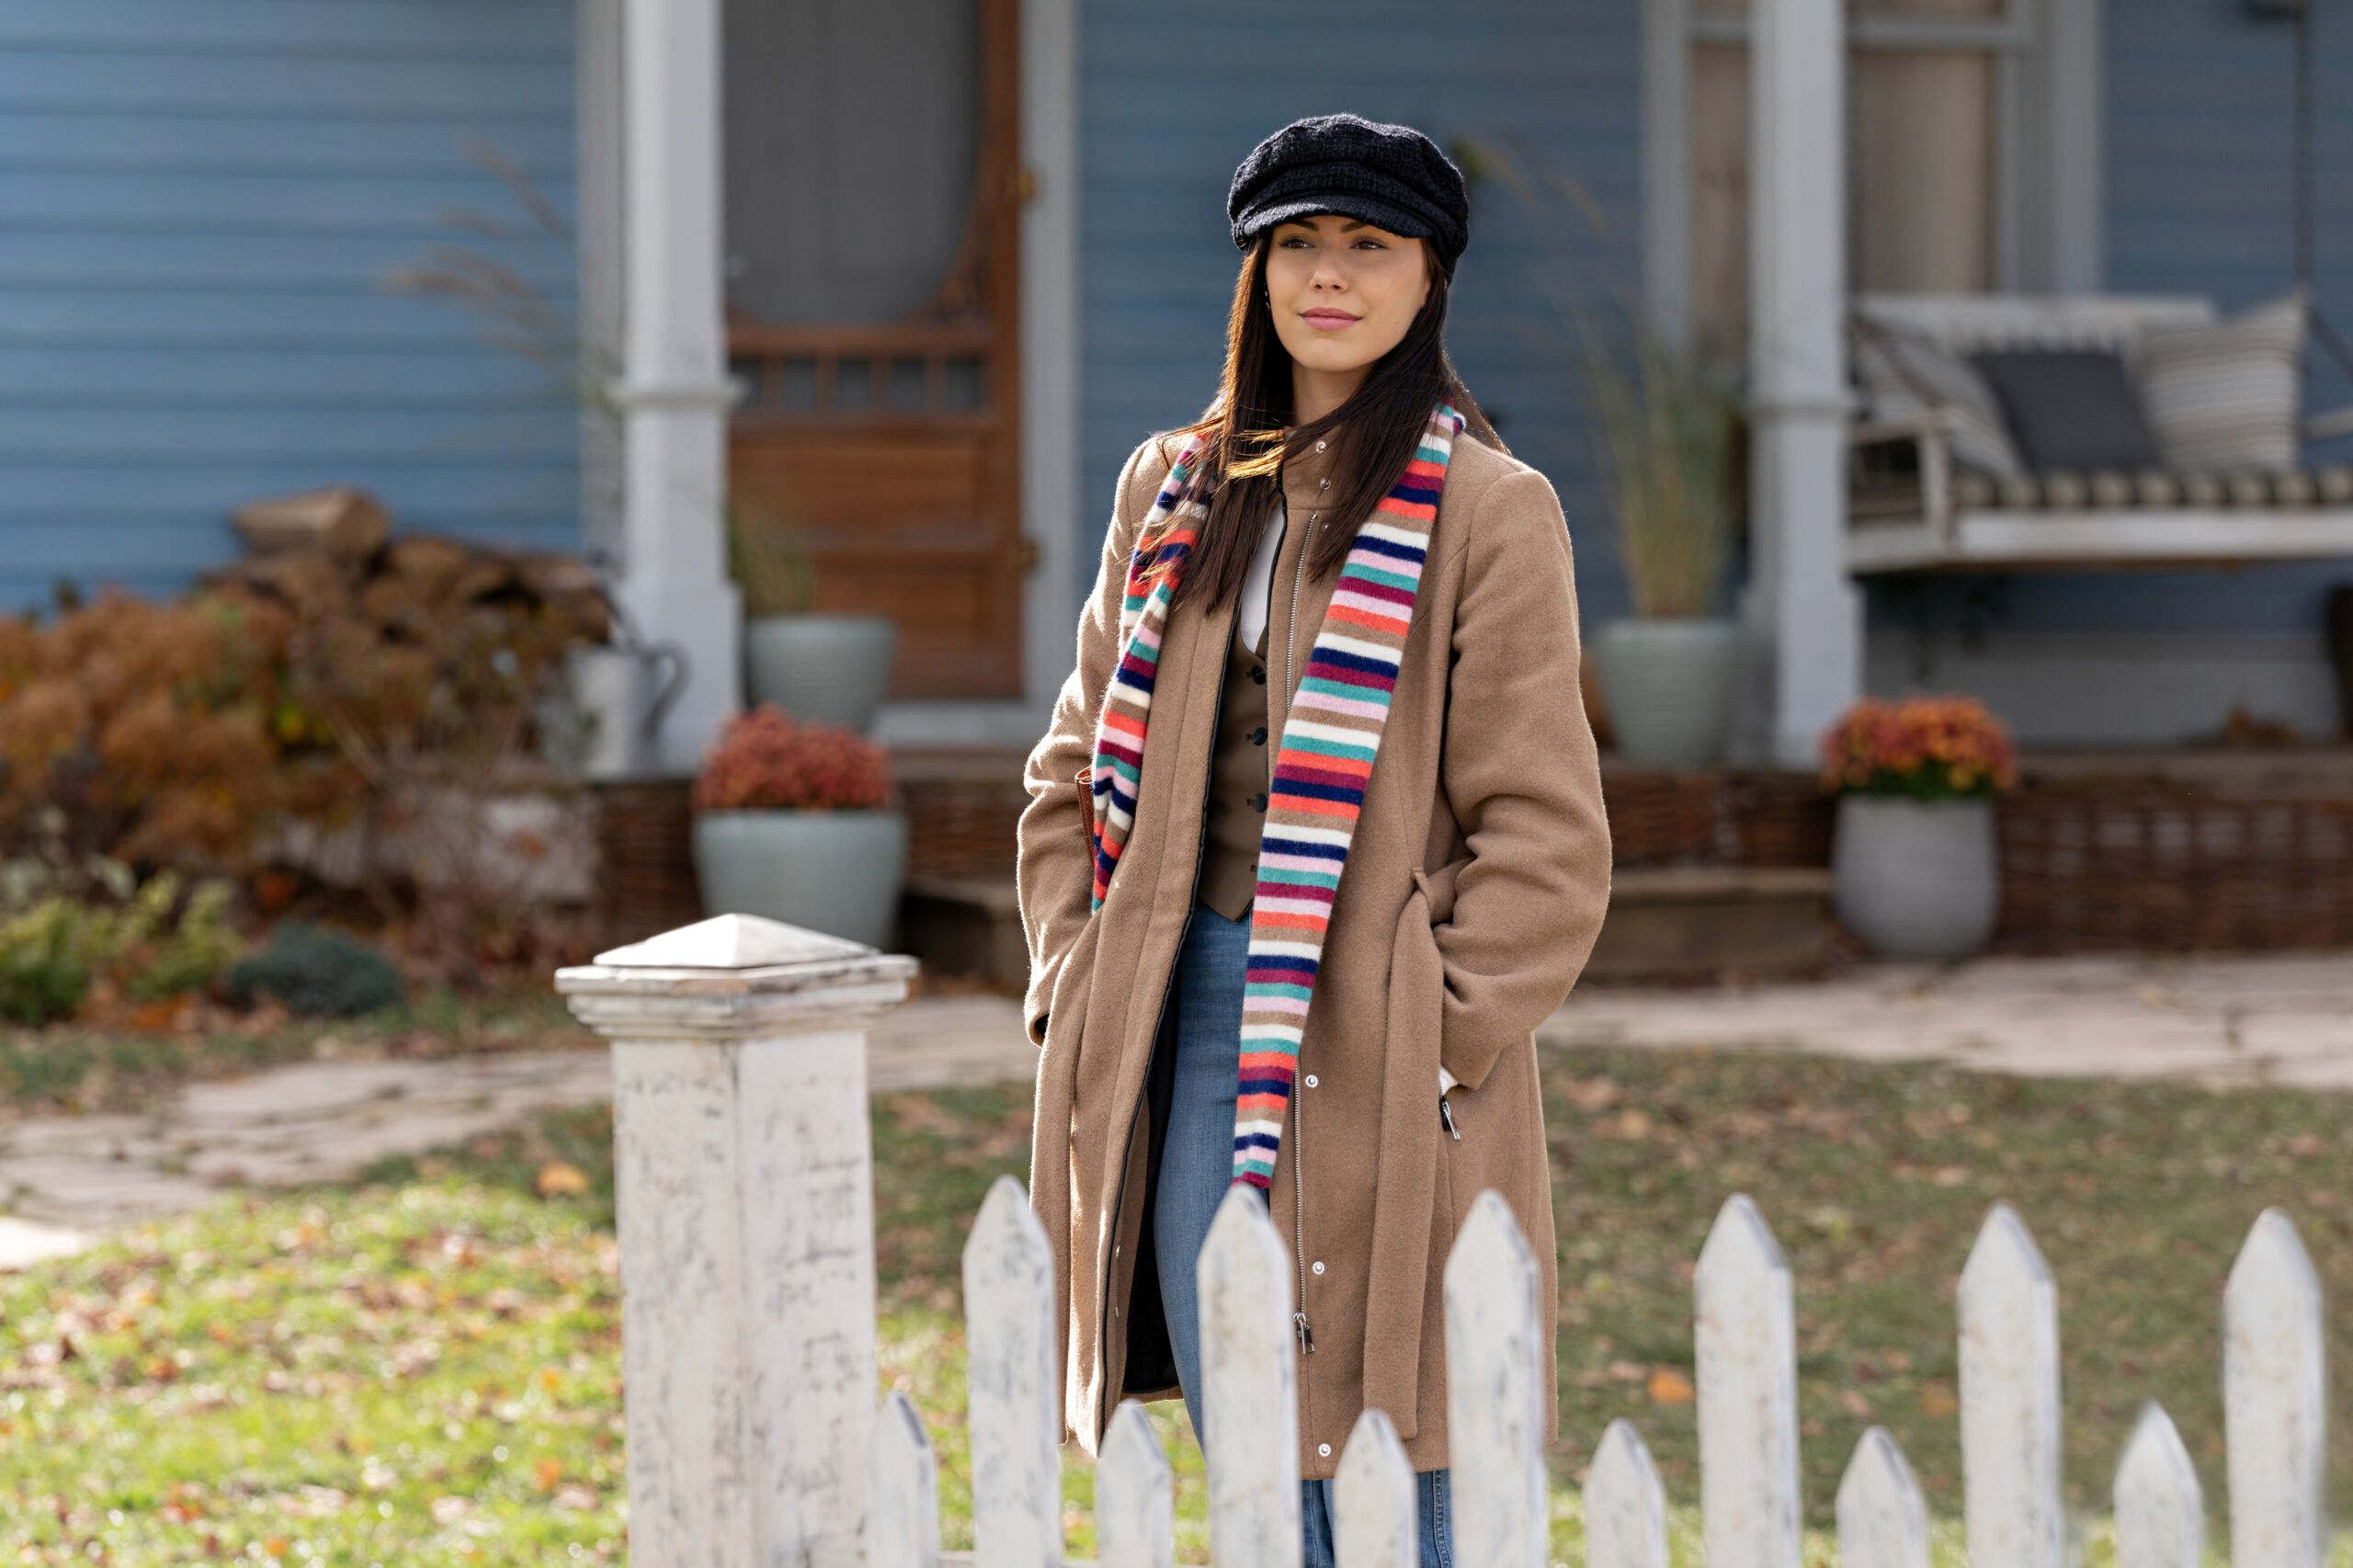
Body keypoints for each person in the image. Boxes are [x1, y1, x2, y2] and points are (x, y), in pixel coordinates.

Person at [1017, 113, 1612, 1568]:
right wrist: (1077, 976)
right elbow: (1064, 774)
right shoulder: (1172, 486)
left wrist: (1434, 1021)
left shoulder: (1489, 510)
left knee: (1406, 1446)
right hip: (1179, 1011)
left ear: (1430, 281)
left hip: (1385, 1023)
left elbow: (1547, 836)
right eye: (1298, 246)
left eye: (1368, 246)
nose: (1328, 277)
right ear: (1256, 271)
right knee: (1250, 1434)